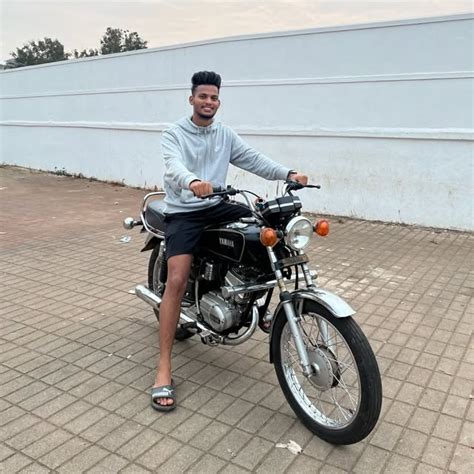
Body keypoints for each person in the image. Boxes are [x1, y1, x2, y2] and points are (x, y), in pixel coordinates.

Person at [151, 71, 308, 411]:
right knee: (176, 279)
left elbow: (252, 159)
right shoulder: (173, 133)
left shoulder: (224, 134)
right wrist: (192, 182)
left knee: (266, 233)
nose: (208, 102)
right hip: (185, 211)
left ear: (218, 101)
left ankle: (258, 305)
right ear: (191, 99)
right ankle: (163, 368)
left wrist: (288, 173)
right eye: (203, 96)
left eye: (214, 97)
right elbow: (174, 166)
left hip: (217, 205)